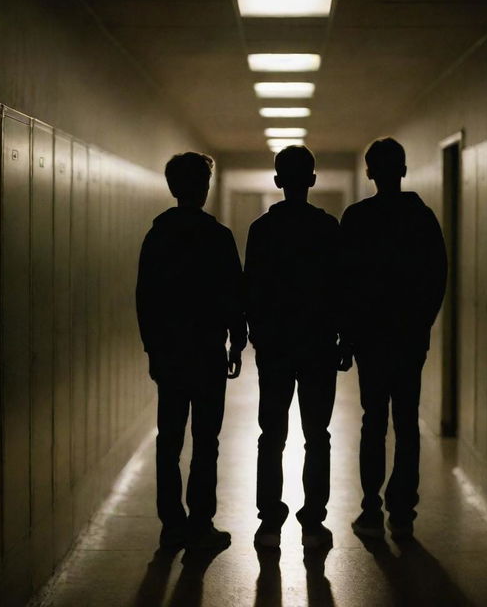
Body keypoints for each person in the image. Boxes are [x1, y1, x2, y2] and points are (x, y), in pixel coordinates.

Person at [136, 151, 246, 551]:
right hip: (207, 352)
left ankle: (172, 525)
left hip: (170, 354)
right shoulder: (218, 237)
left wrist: (153, 350)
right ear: (204, 188)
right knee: (206, 440)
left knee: (170, 438)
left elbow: (145, 298)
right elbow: (234, 293)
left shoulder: (158, 236)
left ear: (172, 187)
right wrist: (237, 338)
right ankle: (201, 523)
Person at [341, 137, 447, 541]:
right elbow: (437, 276)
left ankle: (370, 510)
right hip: (408, 337)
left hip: (371, 339)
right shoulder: (421, 218)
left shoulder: (356, 218)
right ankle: (402, 512)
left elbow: (344, 283)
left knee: (373, 421)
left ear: (369, 172)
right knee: (406, 421)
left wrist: (347, 337)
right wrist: (421, 323)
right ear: (403, 170)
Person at [244, 145, 348, 550]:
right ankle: (313, 521)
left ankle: (269, 520)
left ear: (277, 182)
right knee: (316, 434)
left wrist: (255, 334)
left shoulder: (262, 230)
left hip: (275, 347)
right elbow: (343, 289)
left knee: (271, 434)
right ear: (313, 180)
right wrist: (345, 338)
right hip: (318, 345)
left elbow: (250, 288)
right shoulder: (328, 228)